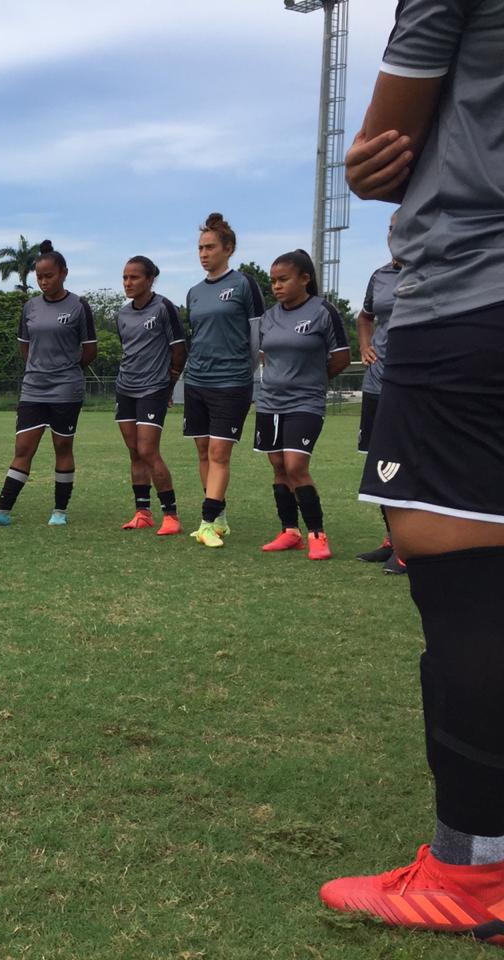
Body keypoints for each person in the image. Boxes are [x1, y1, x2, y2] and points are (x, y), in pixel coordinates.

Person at [319, 0, 504, 944]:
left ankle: (473, 872)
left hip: (475, 291)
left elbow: (385, 149)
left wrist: (363, 168)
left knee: (465, 586)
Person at [0, 241, 95, 527]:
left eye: (49, 275)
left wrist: (64, 370)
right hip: (34, 388)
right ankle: (2, 512)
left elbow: (90, 351)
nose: (43, 281)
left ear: (64, 273)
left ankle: (59, 511)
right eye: (39, 276)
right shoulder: (30, 306)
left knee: (62, 447)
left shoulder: (79, 306)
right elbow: (25, 347)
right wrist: (38, 369)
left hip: (66, 389)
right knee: (23, 448)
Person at [252, 250, 351, 560]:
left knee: (296, 466)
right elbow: (266, 355)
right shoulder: (269, 317)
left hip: (305, 403)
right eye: (273, 281)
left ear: (305, 279)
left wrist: (312, 381)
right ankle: (289, 532)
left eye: (283, 279)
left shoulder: (323, 311)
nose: (276, 286)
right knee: (279, 467)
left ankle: (317, 535)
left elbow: (341, 357)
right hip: (270, 403)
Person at [182, 213, 265, 549]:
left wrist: (246, 370)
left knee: (219, 452)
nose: (204, 253)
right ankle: (219, 518)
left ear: (228, 249)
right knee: (204, 451)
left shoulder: (244, 285)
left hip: (231, 382)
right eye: (200, 248)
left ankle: (205, 522)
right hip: (196, 381)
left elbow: (257, 336)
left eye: (210, 247)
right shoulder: (194, 293)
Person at [114, 257, 186, 535]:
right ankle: (142, 513)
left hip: (153, 388)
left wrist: (168, 386)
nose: (128, 283)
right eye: (125, 277)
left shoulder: (164, 307)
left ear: (150, 279)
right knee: (134, 452)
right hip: (125, 388)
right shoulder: (122, 314)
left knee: (148, 450)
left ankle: (171, 515)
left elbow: (179, 350)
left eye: (134, 277)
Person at [355, 215, 406, 575]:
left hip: (414, 384)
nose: (394, 233)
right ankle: (392, 539)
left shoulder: (435, 270)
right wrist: (365, 345)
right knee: (380, 463)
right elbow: (365, 317)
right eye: (390, 228)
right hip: (377, 383)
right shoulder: (380, 276)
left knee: (410, 461)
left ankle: (410, 545)